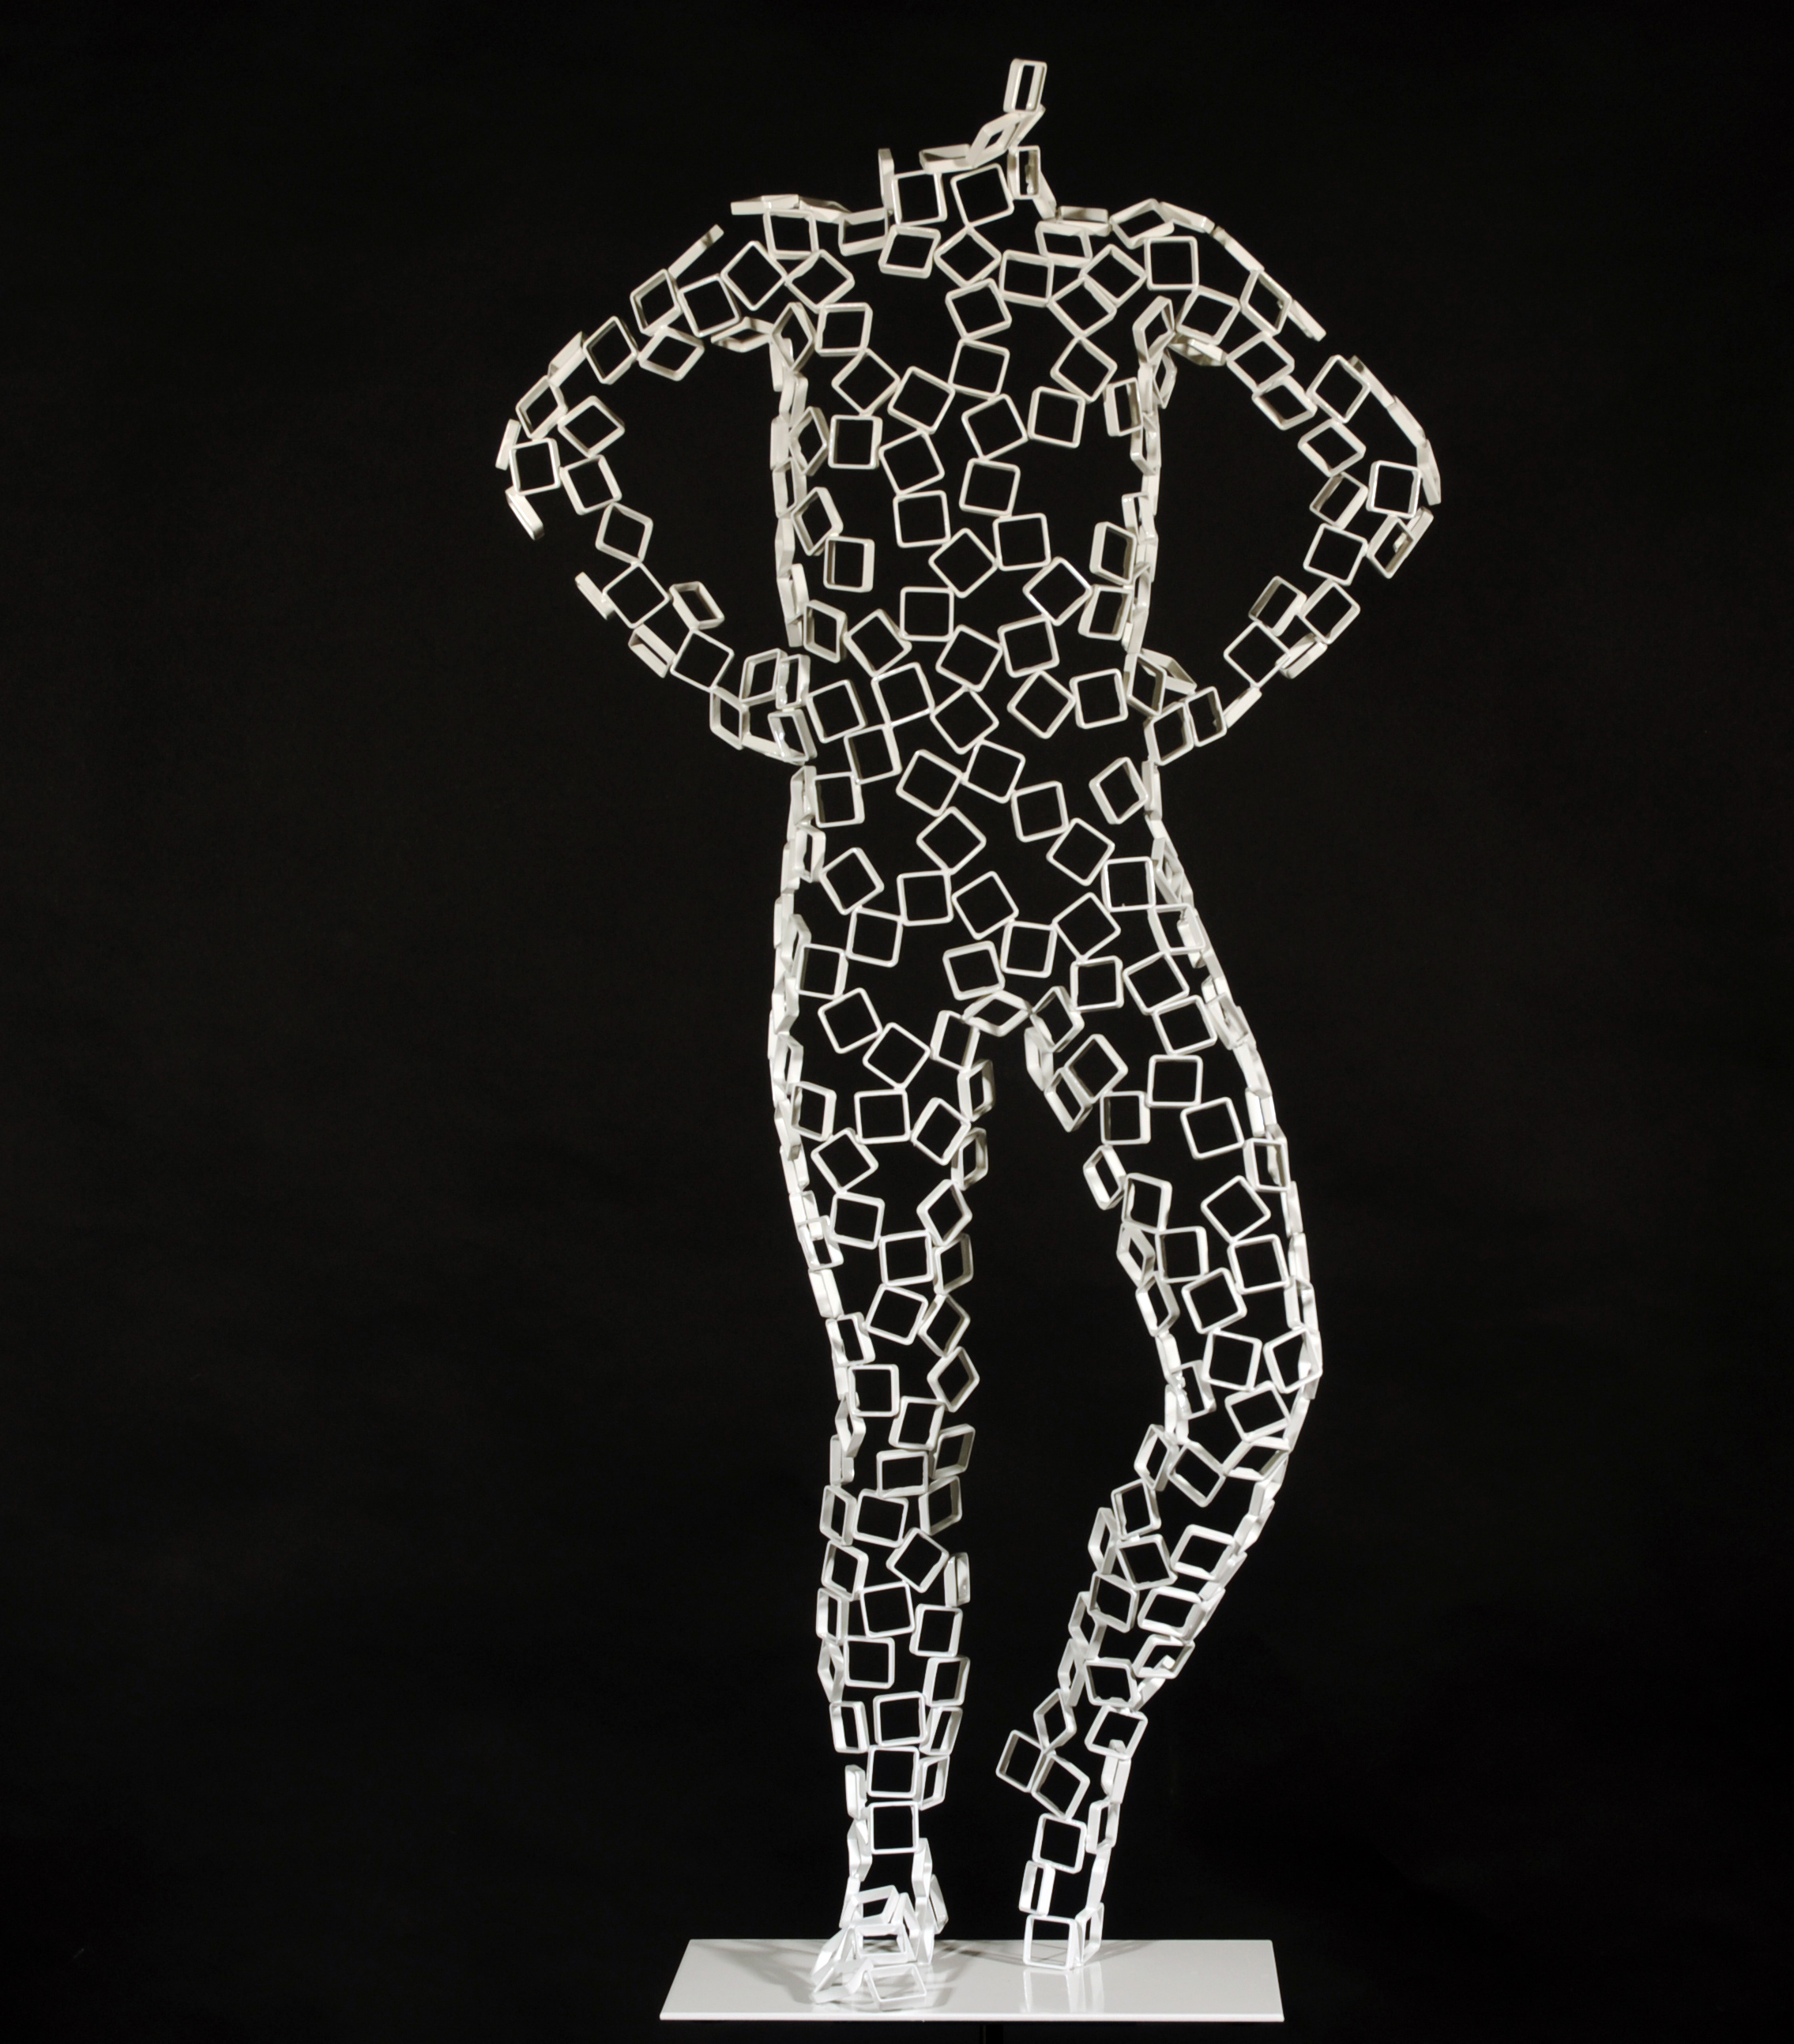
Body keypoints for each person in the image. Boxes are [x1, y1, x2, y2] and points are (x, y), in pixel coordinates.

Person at [497, 56, 1439, 2007]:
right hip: (873, 899)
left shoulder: (1146, 268)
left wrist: (1213, 683)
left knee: (1252, 1364)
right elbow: (549, 441)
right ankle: (887, 1862)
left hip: (1090, 874)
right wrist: (722, 667)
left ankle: (1077, 1754)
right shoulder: (794, 266)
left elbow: (1384, 469)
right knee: (898, 1400)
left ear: (1025, 93)